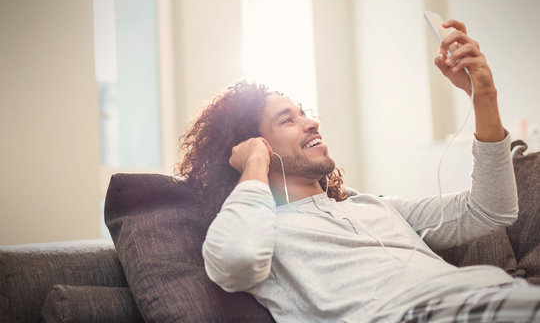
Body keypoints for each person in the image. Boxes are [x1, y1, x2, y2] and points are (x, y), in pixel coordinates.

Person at [175, 20, 540, 322]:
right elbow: (236, 261)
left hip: (498, 297)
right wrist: (255, 160)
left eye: (306, 112)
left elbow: (492, 210)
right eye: (288, 119)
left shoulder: (370, 207)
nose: (312, 122)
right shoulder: (261, 231)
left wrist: (484, 96)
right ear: (253, 143)